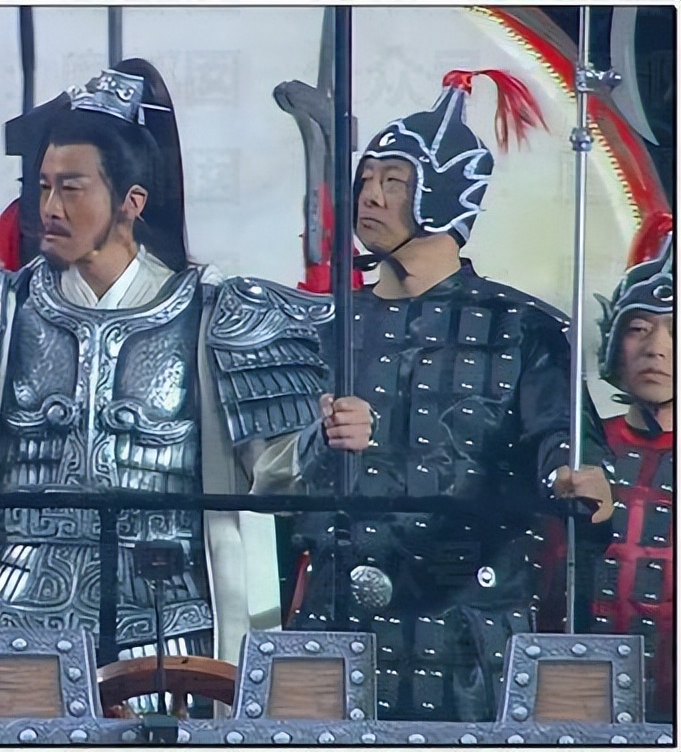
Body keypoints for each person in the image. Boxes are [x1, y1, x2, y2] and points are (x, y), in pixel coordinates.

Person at [0, 59, 373, 718]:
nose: (49, 209)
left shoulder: (215, 313)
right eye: (44, 187)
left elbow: (275, 478)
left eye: (72, 188)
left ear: (131, 203)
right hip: (13, 627)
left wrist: (326, 437)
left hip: (171, 636)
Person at [285, 69, 616, 722]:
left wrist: (576, 476)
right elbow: (273, 468)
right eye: (366, 180)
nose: (370, 196)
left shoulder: (521, 328)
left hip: (467, 630)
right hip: (335, 616)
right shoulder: (322, 326)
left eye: (394, 181)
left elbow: (561, 433)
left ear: (442, 193)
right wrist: (320, 441)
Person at [589, 234, 674, 722]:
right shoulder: (580, 448)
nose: (656, 349)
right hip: (583, 696)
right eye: (639, 328)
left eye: (675, 330)